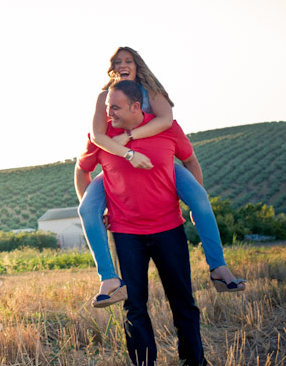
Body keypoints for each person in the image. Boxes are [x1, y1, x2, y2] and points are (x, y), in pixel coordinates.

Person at [77, 47, 244, 306]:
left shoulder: (151, 92)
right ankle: (108, 279)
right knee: (86, 208)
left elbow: (166, 121)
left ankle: (219, 268)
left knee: (200, 198)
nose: (122, 64)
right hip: (115, 163)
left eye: (128, 60)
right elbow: (98, 137)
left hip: (159, 160)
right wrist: (127, 153)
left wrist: (131, 137)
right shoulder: (104, 97)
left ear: (137, 65)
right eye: (117, 61)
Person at [76, 80, 207, 366]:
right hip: (126, 234)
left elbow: (191, 161)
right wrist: (95, 208)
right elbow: (82, 169)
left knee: (183, 301)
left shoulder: (167, 129)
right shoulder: (102, 138)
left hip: (169, 229)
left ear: (137, 106)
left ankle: (195, 362)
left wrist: (196, 203)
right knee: (134, 307)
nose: (108, 113)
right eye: (107, 106)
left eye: (115, 107)